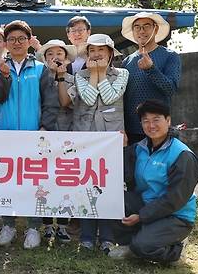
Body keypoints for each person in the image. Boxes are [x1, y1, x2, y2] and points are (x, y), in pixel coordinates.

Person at [109, 99, 198, 263]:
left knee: (143, 246)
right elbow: (123, 174)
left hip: (176, 215)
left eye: (156, 120)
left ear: (168, 120)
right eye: (146, 121)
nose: (151, 125)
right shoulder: (140, 148)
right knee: (114, 200)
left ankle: (175, 250)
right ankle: (127, 245)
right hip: (146, 204)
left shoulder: (182, 155)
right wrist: (123, 148)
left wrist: (141, 216)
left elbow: (175, 199)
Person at [62, 33, 129, 252]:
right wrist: (93, 75)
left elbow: (110, 97)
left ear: (110, 54)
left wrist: (100, 74)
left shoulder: (122, 74)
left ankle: (108, 236)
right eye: (92, 50)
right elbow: (89, 99)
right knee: (85, 185)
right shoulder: (79, 76)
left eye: (102, 50)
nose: (96, 54)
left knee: (110, 186)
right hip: (85, 138)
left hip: (111, 138)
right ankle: (87, 236)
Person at [0, 20, 45, 249]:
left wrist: (45, 126)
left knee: (34, 183)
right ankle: (8, 225)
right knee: (6, 180)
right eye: (11, 39)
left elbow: (50, 103)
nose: (17, 43)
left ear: (29, 42)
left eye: (21, 39)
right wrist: (4, 77)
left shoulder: (41, 69)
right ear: (6, 44)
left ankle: (33, 228)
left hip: (34, 135)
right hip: (5, 135)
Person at [35, 39, 78, 243]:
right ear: (45, 59)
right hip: (44, 134)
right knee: (43, 179)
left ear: (67, 58)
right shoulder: (39, 77)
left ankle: (62, 225)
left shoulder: (74, 79)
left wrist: (60, 78)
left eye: (59, 53)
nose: (55, 57)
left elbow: (69, 104)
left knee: (64, 179)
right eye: (50, 54)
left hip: (67, 133)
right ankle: (46, 225)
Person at [121, 12, 181, 145]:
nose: (141, 31)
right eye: (137, 27)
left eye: (146, 26)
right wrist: (122, 127)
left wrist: (151, 69)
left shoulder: (170, 56)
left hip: (158, 129)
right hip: (132, 130)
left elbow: (170, 88)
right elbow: (123, 98)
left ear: (156, 29)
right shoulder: (127, 61)